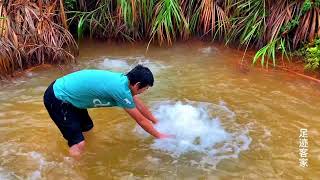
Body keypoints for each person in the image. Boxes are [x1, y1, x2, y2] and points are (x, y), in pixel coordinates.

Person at [43, 65, 172, 157]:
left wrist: (155, 121)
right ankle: (73, 172)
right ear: (137, 85)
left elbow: (139, 105)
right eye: (145, 89)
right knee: (79, 143)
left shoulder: (124, 82)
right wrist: (160, 136)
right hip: (59, 97)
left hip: (72, 97)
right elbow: (141, 120)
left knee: (88, 128)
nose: (144, 92)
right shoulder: (120, 90)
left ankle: (86, 156)